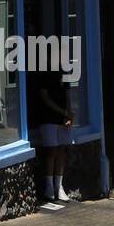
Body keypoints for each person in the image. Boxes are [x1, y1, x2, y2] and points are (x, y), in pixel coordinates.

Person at [34, 71, 73, 201]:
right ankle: (49, 186)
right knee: (52, 150)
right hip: (48, 118)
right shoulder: (46, 74)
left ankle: (59, 186)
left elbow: (68, 96)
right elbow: (45, 97)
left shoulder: (65, 74)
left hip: (62, 118)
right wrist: (64, 112)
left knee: (62, 149)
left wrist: (69, 115)